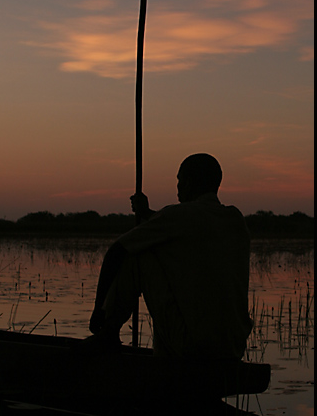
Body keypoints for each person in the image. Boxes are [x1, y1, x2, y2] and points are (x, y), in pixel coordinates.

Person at [88, 153, 252, 366]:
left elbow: (116, 251)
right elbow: (188, 224)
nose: (177, 188)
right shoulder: (235, 219)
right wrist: (147, 213)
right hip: (232, 348)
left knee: (138, 254)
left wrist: (98, 310)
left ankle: (109, 333)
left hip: (196, 348)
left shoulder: (180, 215)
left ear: (189, 182)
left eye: (179, 180)